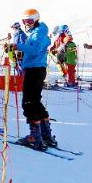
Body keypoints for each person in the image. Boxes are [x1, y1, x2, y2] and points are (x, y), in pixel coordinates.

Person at [9, 8, 55, 150]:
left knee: (28, 103)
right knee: (34, 101)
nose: (26, 24)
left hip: (35, 69)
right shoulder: (37, 32)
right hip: (35, 68)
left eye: (29, 21)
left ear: (36, 19)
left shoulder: (38, 33)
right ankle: (45, 134)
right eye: (24, 21)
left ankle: (35, 136)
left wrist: (18, 46)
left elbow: (34, 50)